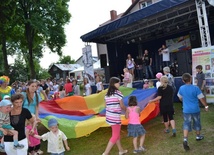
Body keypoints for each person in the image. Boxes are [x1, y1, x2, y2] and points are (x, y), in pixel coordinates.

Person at [177, 73, 209, 151]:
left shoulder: (181, 88)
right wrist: (206, 106)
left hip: (186, 110)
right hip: (195, 109)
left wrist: (184, 101)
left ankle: (185, 139)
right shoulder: (196, 88)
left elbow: (180, 97)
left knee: (186, 123)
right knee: (197, 122)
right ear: (191, 79)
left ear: (183, 80)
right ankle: (198, 136)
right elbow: (201, 98)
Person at [102, 77, 127, 155]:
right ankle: (106, 153)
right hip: (115, 117)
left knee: (116, 134)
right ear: (114, 84)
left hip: (109, 116)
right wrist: (127, 110)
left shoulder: (107, 94)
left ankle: (121, 150)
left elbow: (105, 105)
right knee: (115, 135)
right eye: (118, 82)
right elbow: (122, 105)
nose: (119, 84)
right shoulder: (118, 93)